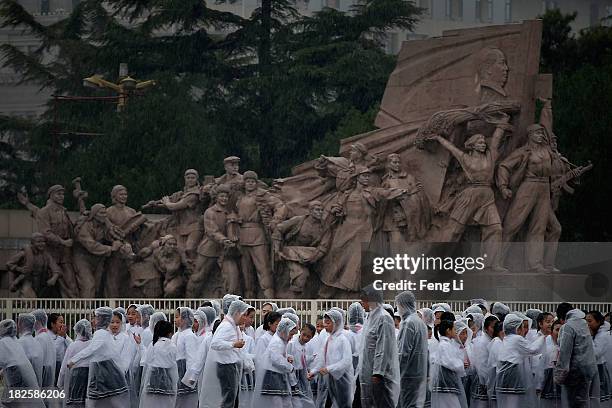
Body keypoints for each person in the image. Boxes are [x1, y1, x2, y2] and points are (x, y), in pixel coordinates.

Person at [67, 307, 128, 407]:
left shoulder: (101, 334)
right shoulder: (105, 333)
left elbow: (91, 349)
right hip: (103, 370)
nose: (92, 320)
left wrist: (73, 360)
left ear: (102, 319)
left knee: (99, 400)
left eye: (95, 317)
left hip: (104, 371)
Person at [200, 300, 252, 408]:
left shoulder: (233, 326)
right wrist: (233, 344)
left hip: (231, 365)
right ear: (237, 313)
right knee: (228, 398)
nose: (245, 318)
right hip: (226, 366)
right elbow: (215, 343)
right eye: (244, 315)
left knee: (231, 398)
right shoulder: (226, 326)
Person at [359, 285, 400, 407]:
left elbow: (383, 347)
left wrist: (378, 372)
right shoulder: (370, 317)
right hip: (368, 372)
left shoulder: (384, 318)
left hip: (379, 376)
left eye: (364, 299)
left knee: (382, 403)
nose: (362, 302)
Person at [495, 313, 546, 407]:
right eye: (523, 327)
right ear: (517, 328)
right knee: (513, 403)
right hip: (513, 377)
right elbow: (532, 349)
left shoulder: (506, 339)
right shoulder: (517, 339)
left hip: (502, 378)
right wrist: (543, 337)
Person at [308, 309, 354, 408]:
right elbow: (322, 359)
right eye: (325, 322)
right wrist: (314, 371)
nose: (325, 325)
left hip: (342, 379)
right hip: (331, 378)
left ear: (336, 323)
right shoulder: (327, 339)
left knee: (344, 404)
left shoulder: (342, 340)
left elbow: (346, 361)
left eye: (328, 323)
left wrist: (329, 369)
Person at [556, 305, 598, 408]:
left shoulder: (568, 326)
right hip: (588, 371)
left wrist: (559, 376)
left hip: (575, 372)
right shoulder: (583, 323)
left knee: (574, 403)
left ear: (562, 318)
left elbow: (565, 353)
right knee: (583, 402)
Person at [252, 317, 298, 407]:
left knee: (284, 402)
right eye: (290, 334)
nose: (291, 337)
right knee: (277, 403)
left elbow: (278, 355)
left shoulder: (280, 341)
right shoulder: (277, 341)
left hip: (277, 375)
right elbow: (276, 359)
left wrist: (287, 357)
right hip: (273, 376)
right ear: (284, 331)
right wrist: (289, 367)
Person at [0, 319, 46, 408]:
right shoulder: (15, 341)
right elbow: (13, 359)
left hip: (16, 374)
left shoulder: (3, 342)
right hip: (26, 374)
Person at [395, 291, 428, 408]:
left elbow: (403, 353)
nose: (398, 309)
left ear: (403, 305)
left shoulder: (408, 323)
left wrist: (394, 373)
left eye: (398, 306)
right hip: (418, 373)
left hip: (407, 375)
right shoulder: (420, 322)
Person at [139, 320, 178, 408]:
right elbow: (174, 364)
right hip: (168, 383)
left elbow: (146, 362)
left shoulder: (152, 345)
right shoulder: (172, 346)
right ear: (170, 333)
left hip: (152, 382)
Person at [431, 319, 468, 408]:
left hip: (447, 384)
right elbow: (450, 363)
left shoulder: (446, 344)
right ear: (448, 331)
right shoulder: (445, 345)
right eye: (454, 329)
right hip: (446, 384)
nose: (455, 332)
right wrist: (461, 365)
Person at [57, 319, 92, 408]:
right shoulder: (93, 345)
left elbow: (64, 369)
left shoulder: (73, 346)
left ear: (77, 331)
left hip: (74, 386)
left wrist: (60, 384)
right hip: (90, 387)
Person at [172, 307, 199, 407]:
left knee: (186, 401)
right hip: (176, 371)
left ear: (185, 319)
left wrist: (190, 378)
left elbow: (191, 357)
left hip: (184, 373)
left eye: (177, 317)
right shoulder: (176, 335)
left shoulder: (189, 335)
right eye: (174, 317)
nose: (174, 319)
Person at [586, 311, 612, 407]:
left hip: (600, 369)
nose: (587, 324)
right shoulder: (595, 333)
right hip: (592, 369)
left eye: (589, 321)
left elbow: (595, 354)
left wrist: (589, 336)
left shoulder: (603, 335)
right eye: (586, 322)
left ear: (598, 322)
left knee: (599, 401)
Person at [287, 323, 316, 408]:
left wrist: (309, 372)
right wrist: (293, 381)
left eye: (308, 337)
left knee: (305, 400)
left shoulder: (306, 346)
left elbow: (303, 362)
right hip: (293, 376)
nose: (305, 338)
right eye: (304, 335)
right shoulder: (291, 344)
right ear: (301, 331)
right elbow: (289, 363)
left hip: (302, 375)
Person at [536, 319, 563, 408]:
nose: (560, 333)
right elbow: (540, 367)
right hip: (548, 380)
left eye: (562, 330)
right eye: (557, 330)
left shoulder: (567, 346)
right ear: (551, 332)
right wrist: (539, 386)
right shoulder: (546, 344)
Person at [17, 313, 44, 386]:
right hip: (36, 389)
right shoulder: (37, 343)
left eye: (18, 322)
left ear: (21, 324)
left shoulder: (19, 343)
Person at [32, 309, 56, 391]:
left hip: (42, 374)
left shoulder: (40, 338)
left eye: (33, 321)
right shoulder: (48, 336)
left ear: (37, 321)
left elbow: (37, 360)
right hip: (48, 374)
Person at [48, 312, 72, 386]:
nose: (63, 325)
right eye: (60, 322)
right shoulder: (47, 336)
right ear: (52, 324)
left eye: (63, 322)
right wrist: (60, 337)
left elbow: (72, 346)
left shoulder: (62, 334)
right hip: (52, 369)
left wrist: (64, 336)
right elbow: (53, 352)